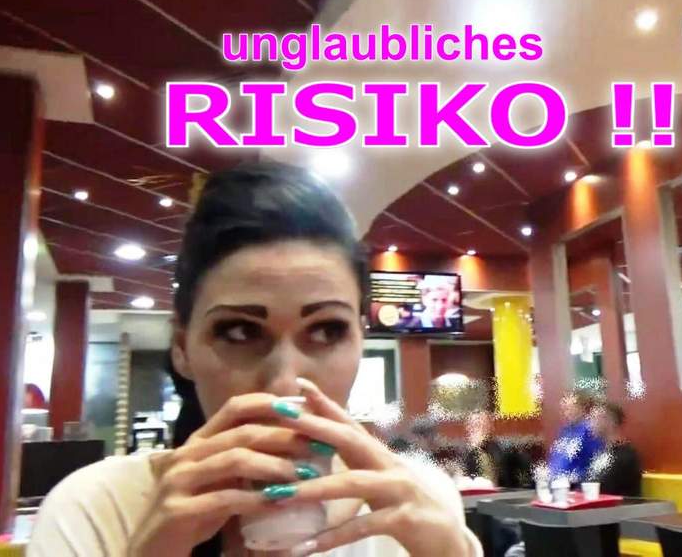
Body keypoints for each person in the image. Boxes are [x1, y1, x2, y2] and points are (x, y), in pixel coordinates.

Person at [28, 163, 481, 557]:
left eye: (327, 330)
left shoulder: (419, 504)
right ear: (182, 348)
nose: (285, 384)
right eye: (239, 332)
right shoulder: (96, 507)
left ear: (361, 341)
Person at [545, 389, 604, 485]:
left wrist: (574, 478)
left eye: (569, 408)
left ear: (581, 408)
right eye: (564, 409)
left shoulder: (590, 431)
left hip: (577, 486)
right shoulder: (564, 431)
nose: (565, 412)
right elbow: (556, 460)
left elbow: (595, 466)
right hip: (556, 485)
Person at [588, 403, 642, 497]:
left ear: (610, 422)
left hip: (617, 505)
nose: (590, 423)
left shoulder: (626, 456)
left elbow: (609, 490)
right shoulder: (601, 453)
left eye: (595, 418)